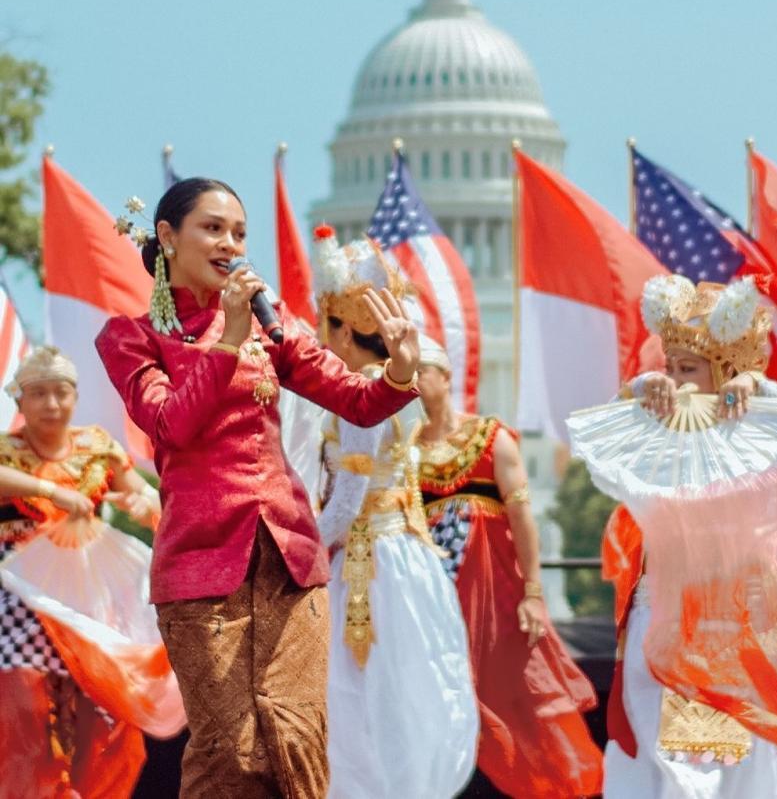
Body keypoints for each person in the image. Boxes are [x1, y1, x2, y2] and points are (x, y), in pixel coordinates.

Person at [96, 178, 420, 799]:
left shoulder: (273, 327)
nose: (231, 244)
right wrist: (225, 340)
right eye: (213, 228)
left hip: (289, 561)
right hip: (201, 567)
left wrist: (400, 369)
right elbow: (170, 424)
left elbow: (356, 401)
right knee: (232, 752)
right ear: (167, 237)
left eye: (240, 233)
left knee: (297, 740)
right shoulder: (131, 337)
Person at [566, 274, 777, 799]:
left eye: (688, 368)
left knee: (748, 760)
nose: (675, 379)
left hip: (741, 619)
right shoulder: (655, 428)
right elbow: (601, 434)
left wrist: (760, 389)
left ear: (726, 370)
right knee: (667, 759)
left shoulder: (764, 430)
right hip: (666, 613)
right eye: (670, 368)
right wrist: (636, 389)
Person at [312, 226, 479, 799]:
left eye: (325, 321)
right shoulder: (390, 387)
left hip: (367, 565)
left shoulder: (364, 391)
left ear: (343, 328)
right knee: (400, 693)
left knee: (359, 698)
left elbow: (346, 505)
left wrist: (293, 546)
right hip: (401, 559)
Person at [413, 337, 604, 799]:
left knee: (523, 700)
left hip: (496, 600)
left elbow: (522, 517)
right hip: (435, 605)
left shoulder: (490, 437)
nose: (413, 382)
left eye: (421, 371)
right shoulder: (407, 452)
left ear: (445, 376)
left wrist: (535, 593)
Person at [0, 345, 182, 799]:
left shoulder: (96, 445)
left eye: (60, 393)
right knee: (25, 710)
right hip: (20, 602)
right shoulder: (7, 451)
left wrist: (143, 501)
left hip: (89, 600)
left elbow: (143, 493)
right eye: (38, 394)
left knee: (107, 716)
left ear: (75, 397)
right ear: (19, 402)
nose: (52, 404)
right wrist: (49, 491)